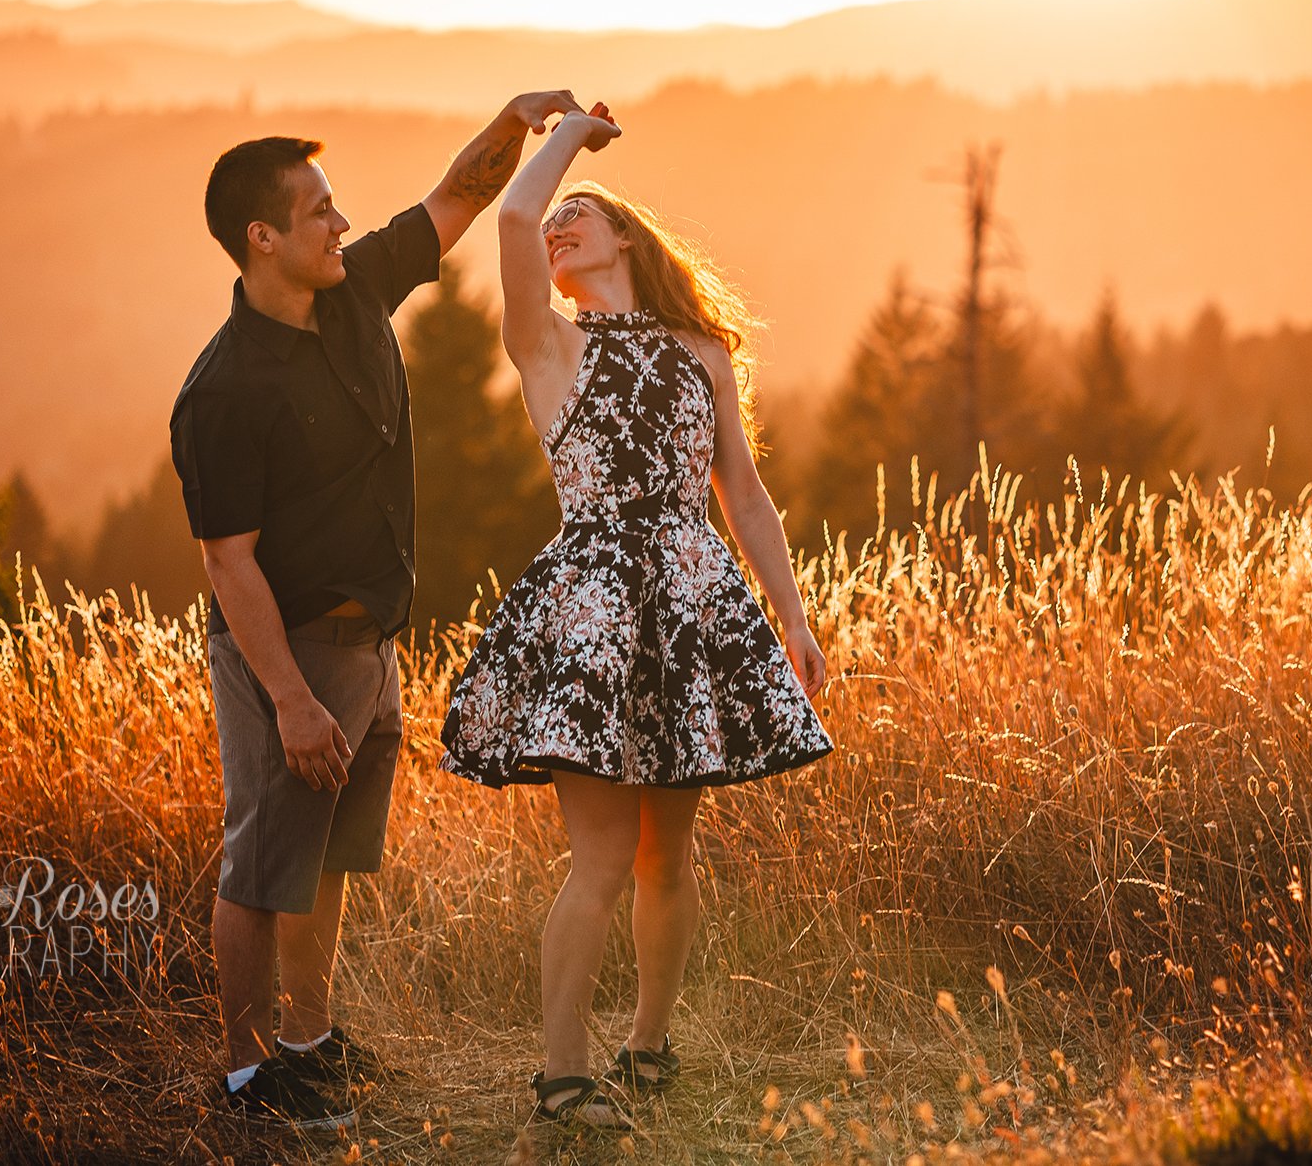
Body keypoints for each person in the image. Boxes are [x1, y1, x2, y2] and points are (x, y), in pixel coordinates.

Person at [172, 91, 586, 1130]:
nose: (341, 223)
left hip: (372, 643)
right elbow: (230, 565)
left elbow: (454, 197)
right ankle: (244, 1075)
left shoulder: (354, 293)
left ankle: (309, 1046)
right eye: (318, 211)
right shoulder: (223, 392)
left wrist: (513, 123)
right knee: (264, 863)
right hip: (292, 655)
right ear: (261, 239)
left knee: (330, 858)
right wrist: (291, 700)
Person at [439, 105, 834, 1130]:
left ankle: (648, 1047)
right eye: (557, 218)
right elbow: (513, 223)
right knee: (603, 858)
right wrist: (567, 136)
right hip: (597, 614)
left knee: (671, 854)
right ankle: (562, 1077)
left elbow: (742, 495)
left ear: (625, 239)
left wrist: (791, 618)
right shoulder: (547, 344)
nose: (559, 224)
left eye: (583, 215)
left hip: (695, 602)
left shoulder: (702, 351)